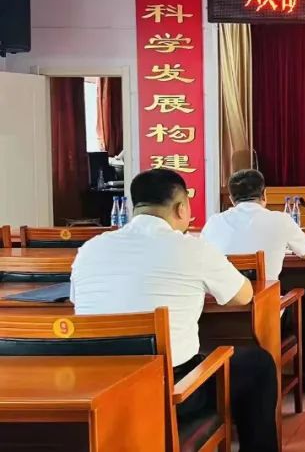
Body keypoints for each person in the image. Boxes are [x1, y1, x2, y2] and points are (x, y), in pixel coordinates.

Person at [70, 169, 278, 452]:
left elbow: (77, 301)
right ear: (181, 208)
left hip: (98, 390)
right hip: (172, 391)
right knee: (258, 364)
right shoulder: (193, 248)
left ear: (133, 206)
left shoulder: (90, 249)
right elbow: (243, 296)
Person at [202, 169, 305, 280]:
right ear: (264, 194)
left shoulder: (214, 222)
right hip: (266, 294)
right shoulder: (281, 220)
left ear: (231, 199)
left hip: (224, 294)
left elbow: (202, 257)